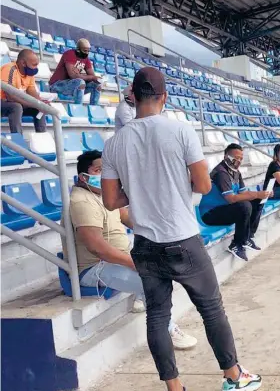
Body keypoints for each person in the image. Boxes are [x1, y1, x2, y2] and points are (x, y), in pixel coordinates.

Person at [101, 67, 262, 391]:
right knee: (211, 309)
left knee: (158, 316)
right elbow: (204, 186)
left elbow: (111, 202)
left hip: (145, 243)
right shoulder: (180, 130)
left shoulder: (115, 143)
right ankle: (232, 377)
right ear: (164, 97)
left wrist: (141, 188)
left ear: (133, 95)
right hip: (183, 240)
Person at [65, 150, 197, 350]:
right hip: (95, 268)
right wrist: (134, 263)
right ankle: (167, 330)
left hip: (116, 258)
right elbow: (96, 247)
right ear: (84, 177)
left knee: (165, 258)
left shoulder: (101, 194)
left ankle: (140, 297)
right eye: (98, 170)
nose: (104, 174)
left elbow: (128, 219)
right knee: (155, 282)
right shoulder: (82, 201)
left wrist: (161, 233)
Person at [200, 143, 270, 262]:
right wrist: (256, 194)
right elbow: (231, 198)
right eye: (236, 157)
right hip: (210, 214)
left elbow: (244, 193)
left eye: (241, 158)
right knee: (245, 206)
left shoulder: (236, 172)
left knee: (257, 201)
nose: (239, 160)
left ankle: (247, 237)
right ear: (226, 156)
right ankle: (236, 244)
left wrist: (261, 195)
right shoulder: (221, 172)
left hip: (225, 209)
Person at [1, 49, 47, 134]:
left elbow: (31, 91)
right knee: (16, 107)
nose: (36, 68)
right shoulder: (10, 69)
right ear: (23, 63)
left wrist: (40, 104)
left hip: (14, 102)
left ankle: (42, 139)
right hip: (3, 102)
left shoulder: (29, 73)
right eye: (34, 65)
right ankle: (18, 141)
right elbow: (10, 97)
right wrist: (33, 104)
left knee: (39, 109)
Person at [49, 38, 101, 105]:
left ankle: (94, 109)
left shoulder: (86, 59)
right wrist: (88, 76)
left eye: (88, 51)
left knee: (97, 84)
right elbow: (73, 75)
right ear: (78, 50)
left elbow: (93, 77)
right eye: (85, 51)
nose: (87, 53)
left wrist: (90, 77)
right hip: (57, 85)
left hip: (72, 84)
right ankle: (78, 108)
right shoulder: (70, 54)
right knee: (80, 82)